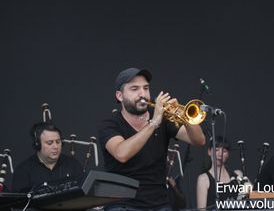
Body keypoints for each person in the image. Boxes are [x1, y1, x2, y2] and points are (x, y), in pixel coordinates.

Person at [98, 67, 205, 210]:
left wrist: (185, 116)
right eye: (134, 89)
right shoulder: (110, 124)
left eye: (146, 88)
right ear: (119, 96)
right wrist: (154, 123)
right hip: (122, 204)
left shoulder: (162, 118)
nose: (142, 94)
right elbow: (121, 153)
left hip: (159, 203)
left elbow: (199, 140)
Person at [11, 122, 83, 192]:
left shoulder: (73, 165)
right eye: (49, 143)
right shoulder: (23, 171)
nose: (55, 146)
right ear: (37, 145)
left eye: (58, 142)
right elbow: (19, 202)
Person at [196, 136, 245, 210]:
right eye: (216, 150)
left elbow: (252, 198)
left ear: (228, 154)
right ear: (209, 151)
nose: (220, 154)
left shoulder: (238, 175)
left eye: (224, 151)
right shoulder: (203, 179)